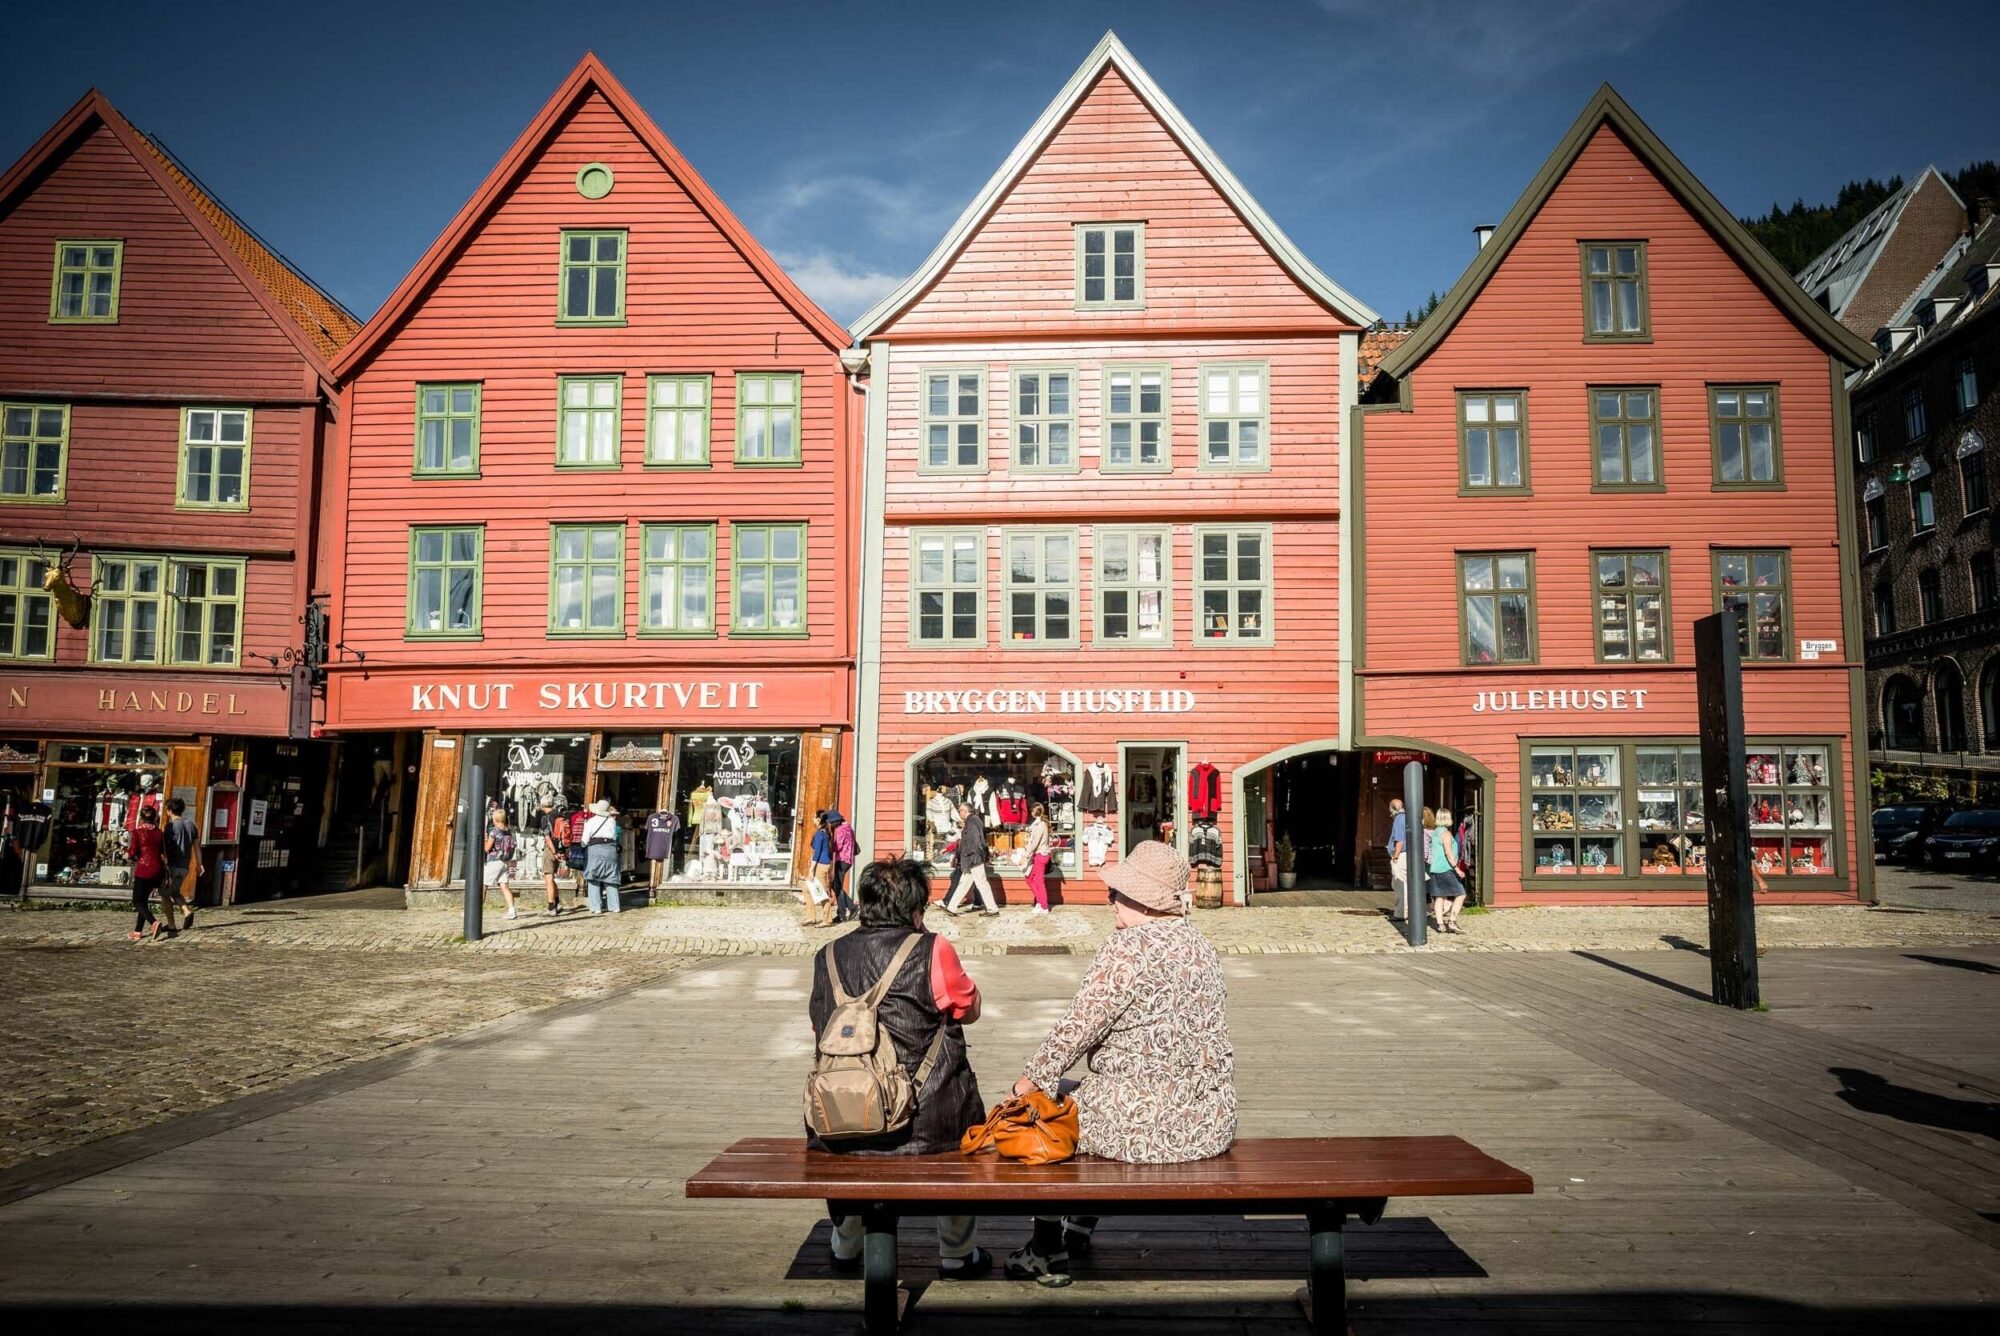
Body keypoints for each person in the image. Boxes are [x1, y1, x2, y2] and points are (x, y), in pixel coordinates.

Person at [1003, 840, 1235, 1286]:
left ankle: (1047, 1251)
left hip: (1145, 1123)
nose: (1110, 899)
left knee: (1042, 1112)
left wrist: (1030, 1080)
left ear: (1145, 901)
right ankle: (1079, 1223)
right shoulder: (1201, 947)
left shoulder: (1127, 948)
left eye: (1119, 893)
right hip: (1208, 1119)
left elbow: (1079, 1025)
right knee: (1078, 1092)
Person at [811, 857, 993, 1280]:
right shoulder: (933, 947)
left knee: (849, 1146)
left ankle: (845, 1246)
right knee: (962, 1127)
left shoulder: (828, 955)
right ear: (916, 909)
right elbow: (969, 1010)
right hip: (928, 1124)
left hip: (846, 1115)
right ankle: (956, 1252)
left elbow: (820, 1026)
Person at [942, 801, 998, 916]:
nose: (959, 813)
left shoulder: (972, 822)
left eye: (960, 811)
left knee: (981, 883)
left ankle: (992, 909)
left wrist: (974, 855)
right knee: (964, 883)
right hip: (971, 858)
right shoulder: (973, 821)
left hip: (973, 858)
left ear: (966, 811)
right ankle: (951, 908)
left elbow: (976, 841)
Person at [161, 796, 203, 931]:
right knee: (175, 891)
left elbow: (164, 847)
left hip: (172, 865)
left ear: (169, 811)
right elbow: (197, 846)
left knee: (165, 894)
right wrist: (199, 864)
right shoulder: (191, 824)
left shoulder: (170, 826)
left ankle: (171, 924)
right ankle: (186, 911)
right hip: (185, 866)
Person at [128, 806, 169, 941]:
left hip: (143, 868)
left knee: (137, 900)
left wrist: (129, 855)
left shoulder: (138, 832)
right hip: (157, 868)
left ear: (141, 817)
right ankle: (137, 931)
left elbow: (132, 852)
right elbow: (163, 851)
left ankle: (153, 922)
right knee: (143, 900)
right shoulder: (159, 833)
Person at [1426, 808, 1466, 934]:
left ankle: (1440, 924)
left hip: (1435, 869)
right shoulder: (1445, 834)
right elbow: (1448, 852)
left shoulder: (1435, 833)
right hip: (1446, 869)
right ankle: (1452, 921)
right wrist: (1457, 868)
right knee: (1461, 894)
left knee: (1440, 896)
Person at [580, 798, 622, 914]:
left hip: (595, 850)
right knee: (611, 877)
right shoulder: (612, 821)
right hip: (610, 849)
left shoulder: (590, 822)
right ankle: (614, 906)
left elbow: (584, 840)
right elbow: (614, 836)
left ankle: (596, 907)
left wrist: (582, 846)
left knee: (593, 877)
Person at [484, 808, 521, 919]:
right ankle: (512, 910)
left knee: (483, 885)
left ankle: (474, 911)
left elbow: (487, 848)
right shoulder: (507, 830)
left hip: (494, 861)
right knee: (504, 885)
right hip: (505, 861)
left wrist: (485, 840)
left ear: (495, 819)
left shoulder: (494, 831)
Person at [535, 794, 567, 916]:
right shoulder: (560, 815)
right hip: (561, 849)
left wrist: (554, 852)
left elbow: (547, 838)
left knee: (548, 878)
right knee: (552, 877)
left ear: (542, 805)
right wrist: (560, 852)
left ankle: (551, 906)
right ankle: (557, 903)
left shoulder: (545, 818)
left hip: (551, 850)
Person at [804, 810, 836, 928]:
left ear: (818, 819)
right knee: (807, 890)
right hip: (824, 864)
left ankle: (827, 919)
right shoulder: (826, 833)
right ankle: (811, 917)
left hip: (820, 866)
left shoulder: (820, 834)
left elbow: (816, 853)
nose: (812, 819)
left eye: (814, 817)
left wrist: (811, 869)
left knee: (821, 892)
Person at [1022, 802, 1053, 914]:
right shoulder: (1036, 824)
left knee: (1039, 881)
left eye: (1031, 811)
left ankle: (1044, 906)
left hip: (1041, 855)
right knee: (1029, 878)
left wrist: (1025, 856)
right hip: (1037, 855)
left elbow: (1035, 843)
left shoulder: (1041, 825)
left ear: (1034, 812)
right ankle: (1040, 901)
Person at [830, 810, 858, 922]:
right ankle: (846, 910)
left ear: (837, 821)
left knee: (837, 886)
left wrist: (829, 846)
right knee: (837, 886)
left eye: (832, 823)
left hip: (842, 860)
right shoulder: (849, 828)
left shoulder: (842, 830)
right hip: (848, 860)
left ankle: (846, 911)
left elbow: (838, 847)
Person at [1385, 797, 1407, 905]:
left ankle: (1401, 912)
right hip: (1406, 854)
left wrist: (1396, 856)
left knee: (1399, 885)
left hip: (1401, 856)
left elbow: (1400, 840)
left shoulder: (1399, 819)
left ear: (1392, 809)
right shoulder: (1407, 818)